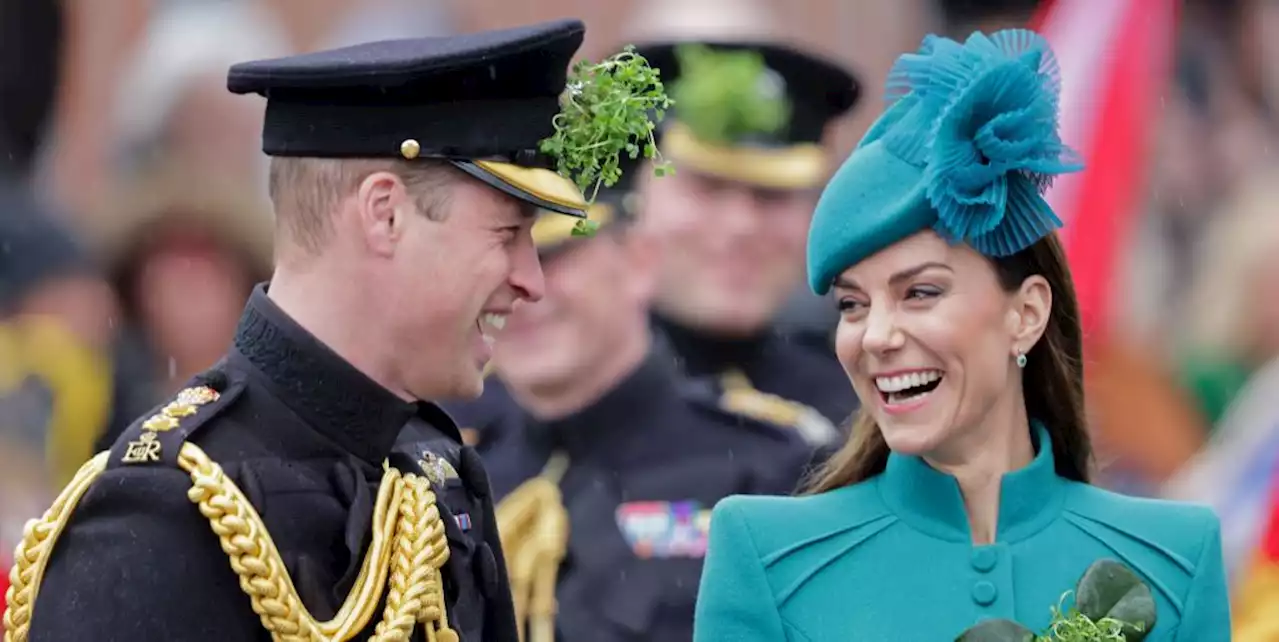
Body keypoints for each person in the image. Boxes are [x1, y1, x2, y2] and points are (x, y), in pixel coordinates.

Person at [5, 18, 664, 642]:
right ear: (384, 215)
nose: (531, 280)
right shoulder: (158, 511)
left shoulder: (434, 469)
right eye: (507, 235)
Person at [693, 29, 1231, 640]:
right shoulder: (767, 558)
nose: (875, 336)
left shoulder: (1173, 559)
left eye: (920, 292)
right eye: (852, 304)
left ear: (1025, 314)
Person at [445, 189, 814, 641]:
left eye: (551, 256)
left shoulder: (773, 469)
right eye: (493, 262)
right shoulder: (450, 477)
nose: (521, 288)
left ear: (639, 261)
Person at [628, 39, 862, 446]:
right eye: (708, 186)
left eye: (772, 194)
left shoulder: (864, 410)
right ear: (631, 198)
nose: (741, 225)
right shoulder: (553, 387)